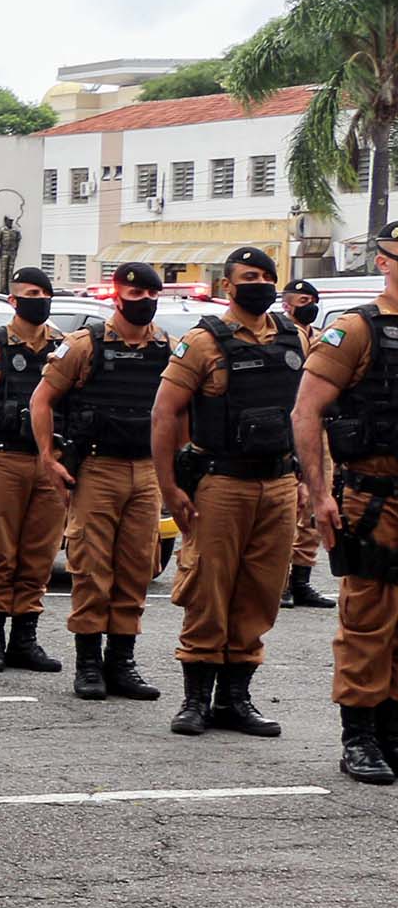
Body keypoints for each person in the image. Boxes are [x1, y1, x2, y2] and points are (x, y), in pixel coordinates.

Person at [156, 244, 301, 737]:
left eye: (266, 275)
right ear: (228, 285)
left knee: (260, 591)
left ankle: (235, 698)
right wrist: (170, 486)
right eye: (248, 276)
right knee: (209, 588)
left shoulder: (294, 337)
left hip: (279, 482)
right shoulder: (202, 342)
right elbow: (165, 414)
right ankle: (196, 698)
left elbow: (307, 415)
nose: (258, 283)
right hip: (222, 482)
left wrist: (305, 479)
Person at [35, 260, 171, 705]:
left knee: (136, 567)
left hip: (145, 470)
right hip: (96, 469)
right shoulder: (84, 345)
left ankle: (122, 661)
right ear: (117, 296)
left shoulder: (166, 347)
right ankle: (88, 663)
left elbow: (178, 412)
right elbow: (42, 401)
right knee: (92, 568)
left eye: (152, 296)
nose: (145, 303)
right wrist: (48, 458)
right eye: (136, 296)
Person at [295, 226, 398, 783]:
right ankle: (358, 736)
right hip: (372, 496)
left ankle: (392, 733)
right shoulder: (355, 329)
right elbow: (305, 412)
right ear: (383, 262)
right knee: (367, 620)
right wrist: (317, 494)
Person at [0, 267, 70, 674]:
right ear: (13, 300)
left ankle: (24, 639)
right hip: (4, 459)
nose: (39, 299)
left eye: (44, 292)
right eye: (30, 292)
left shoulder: (63, 346)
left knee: (39, 553)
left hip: (49, 462)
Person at [284, 280, 337, 610]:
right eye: (304, 300)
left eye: (314, 300)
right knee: (290, 509)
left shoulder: (321, 336)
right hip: (291, 429)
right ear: (288, 305)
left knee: (316, 511)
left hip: (322, 433)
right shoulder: (282, 336)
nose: (311, 304)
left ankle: (301, 580)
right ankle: (282, 582)